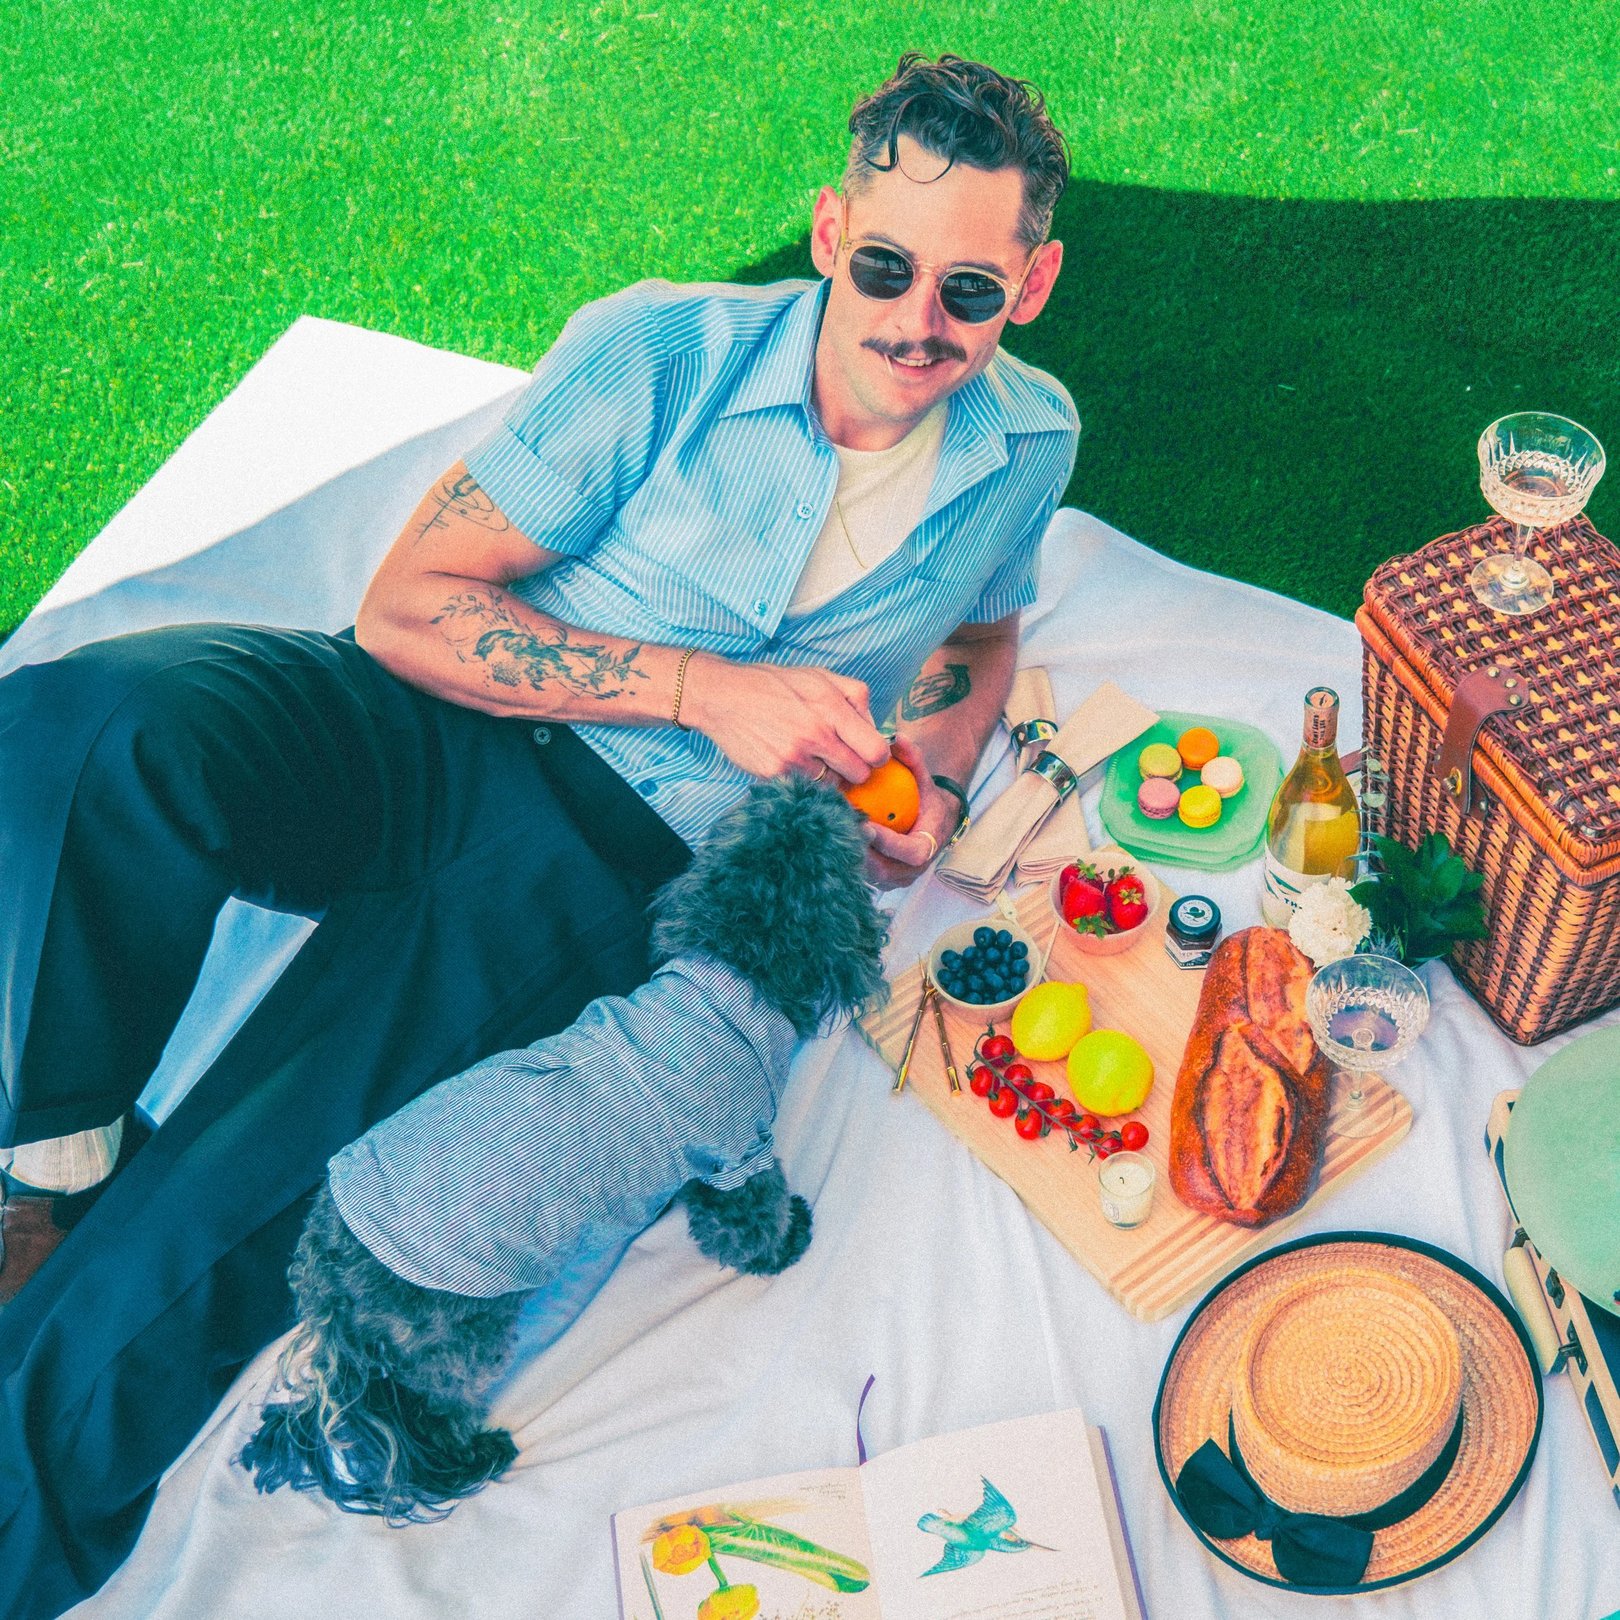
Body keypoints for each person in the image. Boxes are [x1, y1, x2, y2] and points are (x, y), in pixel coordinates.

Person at [0, 49, 1076, 1614]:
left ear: (1028, 284)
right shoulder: (667, 354)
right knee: (89, 727)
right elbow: (405, 611)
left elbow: (982, 638)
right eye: (890, 267)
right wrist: (715, 689)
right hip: (422, 721)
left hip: (595, 862)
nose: (920, 323)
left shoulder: (1025, 448)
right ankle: (57, 1150)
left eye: (968, 291)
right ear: (834, 228)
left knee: (199, 1252)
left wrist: (938, 774)